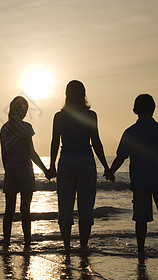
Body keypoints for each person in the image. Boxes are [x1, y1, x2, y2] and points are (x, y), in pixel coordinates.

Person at [105, 94, 158, 256]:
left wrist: (110, 172)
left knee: (141, 219)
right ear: (154, 109)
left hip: (140, 181)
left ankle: (141, 250)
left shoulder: (131, 131)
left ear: (134, 110)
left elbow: (121, 156)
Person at [49, 80, 110, 252]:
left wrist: (52, 165)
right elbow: (96, 142)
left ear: (66, 95)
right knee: (86, 207)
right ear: (83, 94)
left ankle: (67, 247)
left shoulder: (59, 117)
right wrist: (106, 166)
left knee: (65, 207)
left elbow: (55, 142)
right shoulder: (91, 116)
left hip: (66, 161)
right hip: (85, 161)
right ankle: (83, 246)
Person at [0, 96, 50, 249]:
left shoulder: (4, 128)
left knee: (9, 210)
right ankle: (27, 244)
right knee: (25, 211)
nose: (25, 111)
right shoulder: (26, 128)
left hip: (11, 171)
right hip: (25, 171)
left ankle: (6, 243)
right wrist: (45, 170)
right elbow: (32, 153)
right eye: (24, 108)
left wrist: (8, 169)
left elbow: (4, 154)